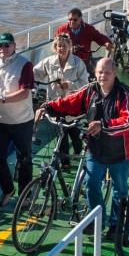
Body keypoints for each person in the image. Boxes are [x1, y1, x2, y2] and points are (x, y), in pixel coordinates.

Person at [36, 58, 129, 236]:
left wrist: (103, 124)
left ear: (114, 73)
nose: (102, 76)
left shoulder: (125, 94)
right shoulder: (91, 90)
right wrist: (47, 107)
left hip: (119, 152)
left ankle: (116, 224)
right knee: (91, 184)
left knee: (119, 189)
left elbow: (128, 121)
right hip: (96, 148)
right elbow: (70, 102)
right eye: (99, 72)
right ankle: (96, 220)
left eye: (106, 72)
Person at [0, 32, 36, 207]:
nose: (3, 49)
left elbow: (25, 92)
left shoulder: (24, 65)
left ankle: (25, 195)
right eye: (0, 45)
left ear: (14, 46)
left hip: (21, 121)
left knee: (24, 159)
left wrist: (1, 99)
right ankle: (8, 189)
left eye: (7, 45)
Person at [34, 33, 89, 168]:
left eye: (64, 46)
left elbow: (85, 84)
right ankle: (65, 163)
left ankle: (79, 153)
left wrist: (68, 85)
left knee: (75, 133)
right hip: (57, 105)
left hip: (73, 105)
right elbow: (34, 73)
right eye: (59, 46)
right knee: (61, 134)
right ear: (55, 47)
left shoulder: (77, 63)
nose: (61, 48)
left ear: (69, 46)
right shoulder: (49, 62)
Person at [55, 8, 112, 74]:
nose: (72, 22)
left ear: (80, 19)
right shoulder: (62, 29)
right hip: (67, 62)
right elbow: (56, 44)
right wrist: (69, 49)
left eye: (75, 20)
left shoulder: (88, 29)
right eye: (70, 20)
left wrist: (106, 42)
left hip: (84, 61)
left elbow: (99, 37)